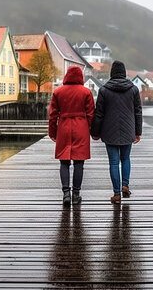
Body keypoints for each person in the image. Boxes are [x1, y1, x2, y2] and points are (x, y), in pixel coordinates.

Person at [91, 60, 143, 204]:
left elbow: (99, 114)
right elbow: (138, 112)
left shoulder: (103, 90)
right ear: (124, 73)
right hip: (128, 130)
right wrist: (138, 131)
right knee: (125, 158)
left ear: (112, 73)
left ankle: (116, 194)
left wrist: (95, 132)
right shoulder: (133, 90)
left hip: (109, 131)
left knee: (114, 162)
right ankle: (125, 185)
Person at [48, 66, 95, 206]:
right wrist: (91, 130)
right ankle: (76, 195)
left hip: (64, 127)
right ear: (80, 77)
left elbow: (52, 116)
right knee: (79, 162)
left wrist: (53, 132)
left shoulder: (58, 92)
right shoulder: (86, 92)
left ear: (67, 76)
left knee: (64, 162)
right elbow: (91, 114)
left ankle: (66, 194)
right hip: (81, 128)